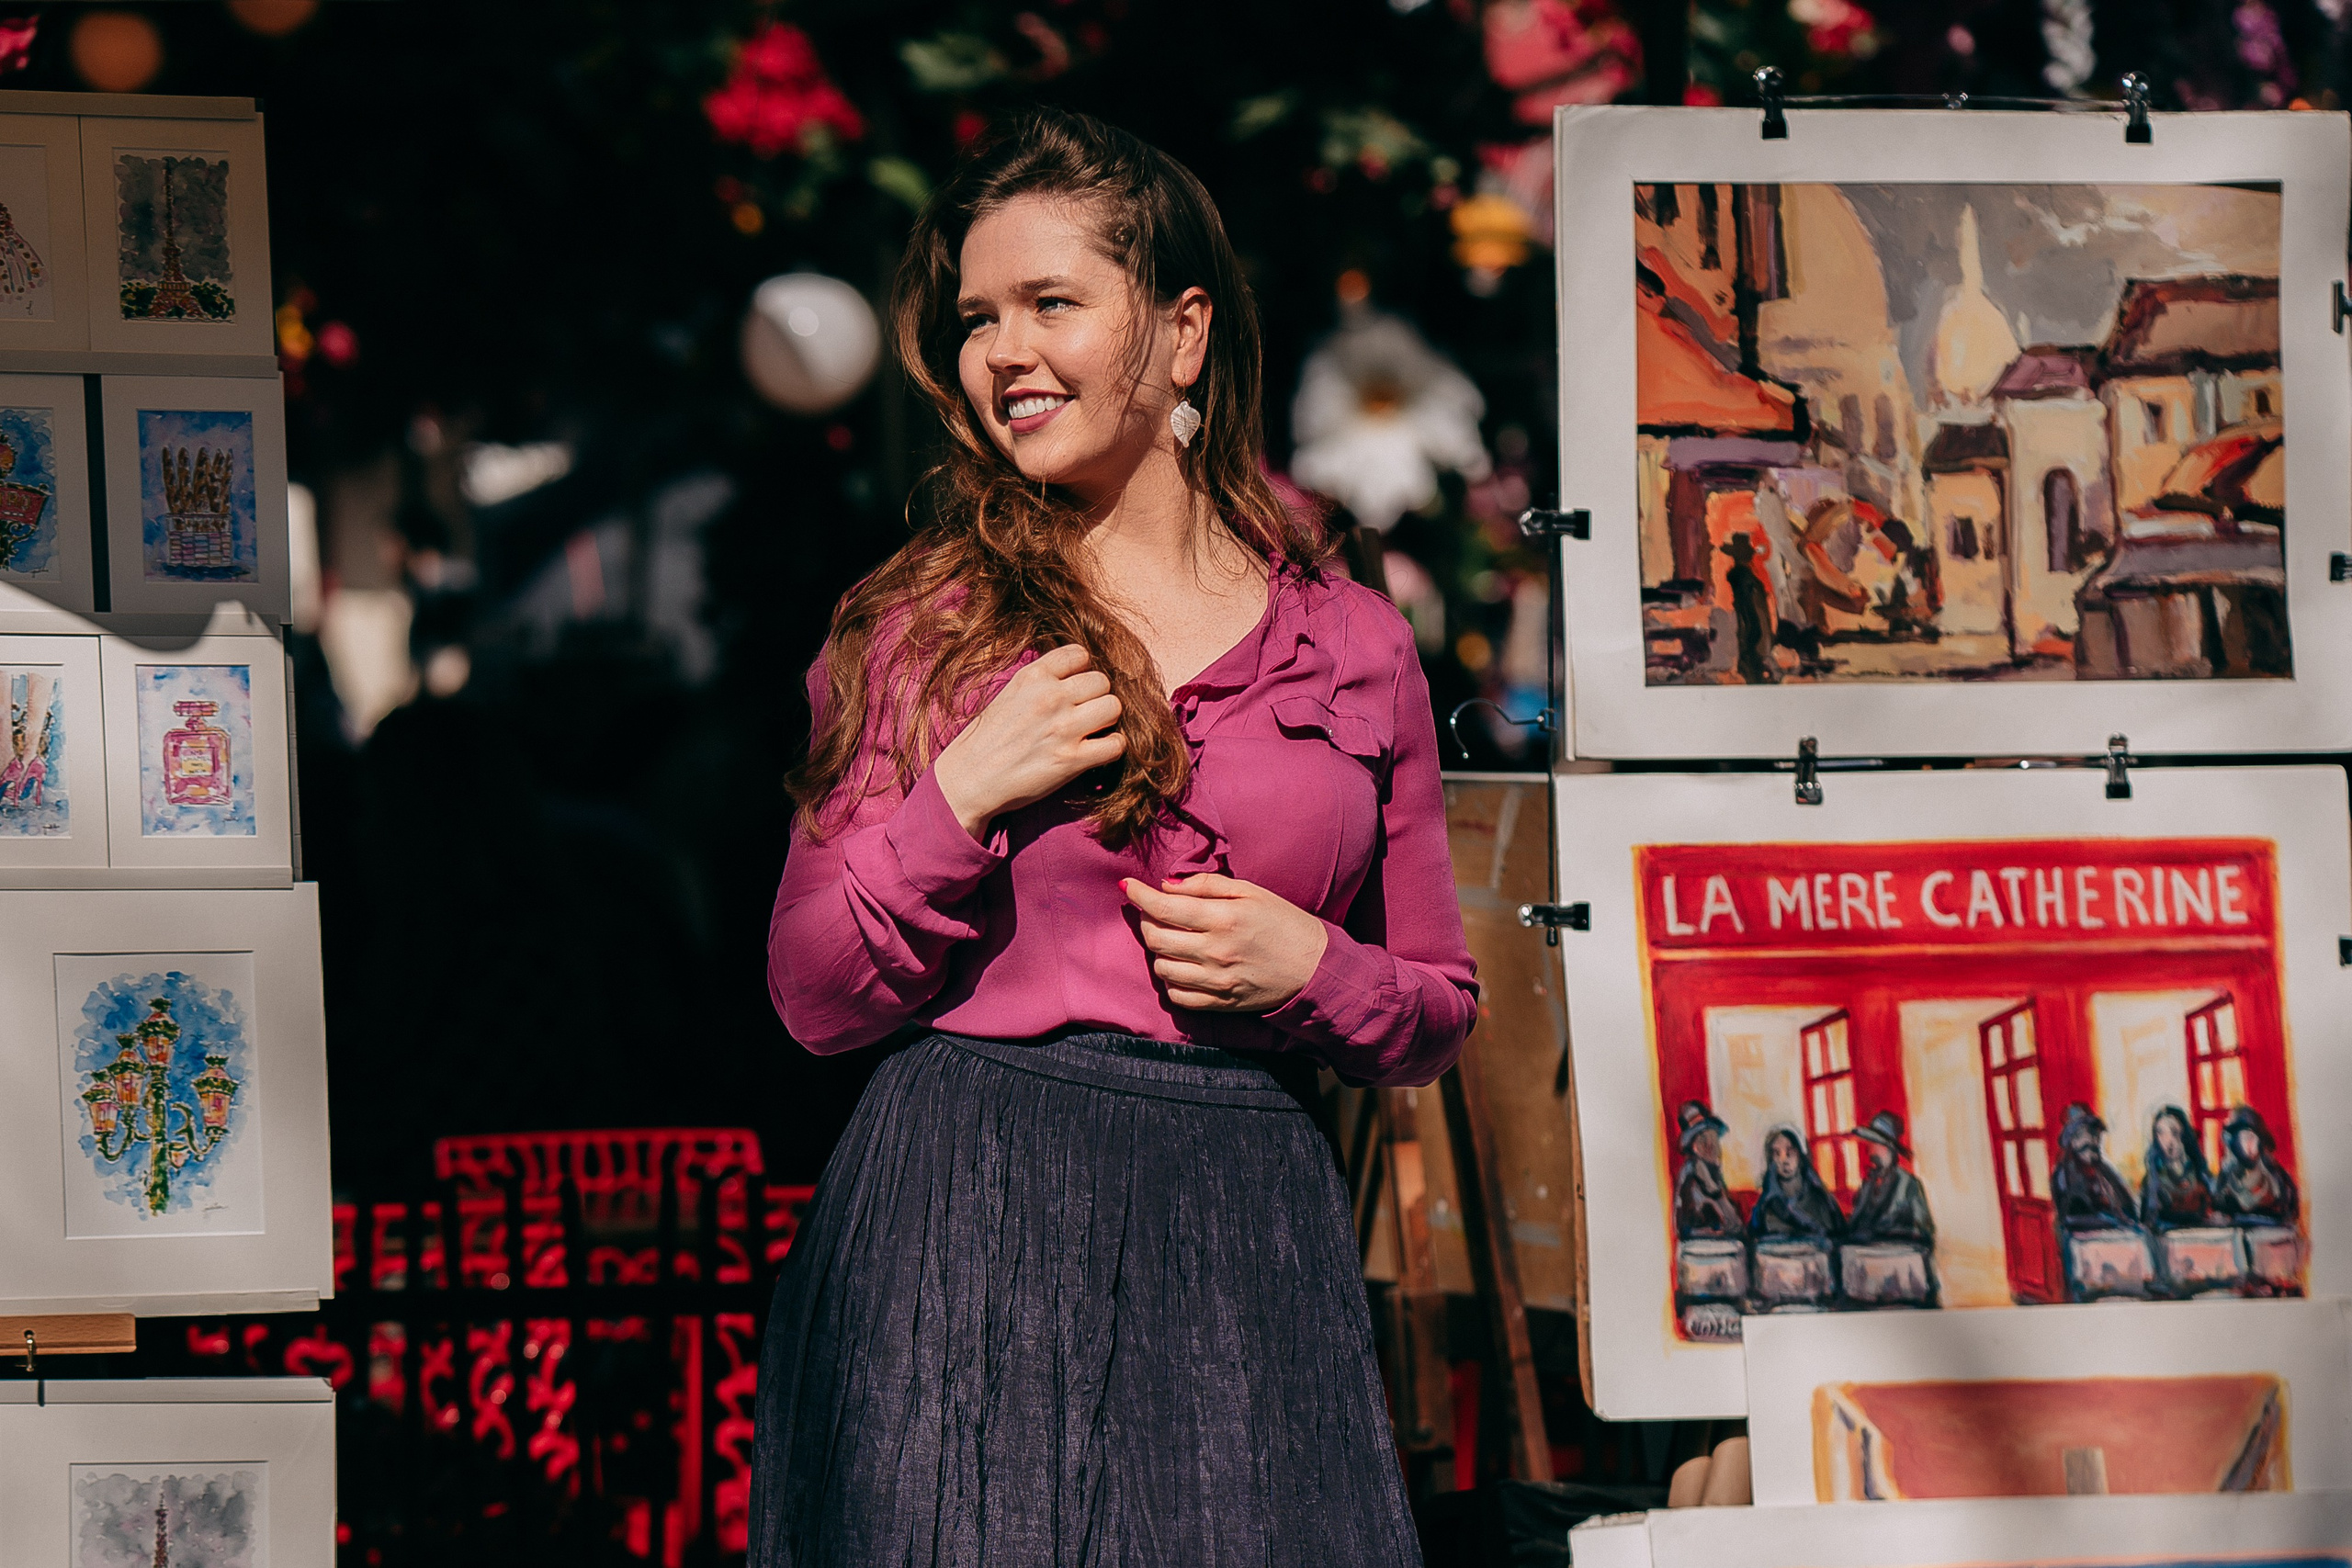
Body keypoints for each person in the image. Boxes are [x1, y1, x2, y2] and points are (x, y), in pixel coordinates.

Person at [749, 111, 1476, 1567]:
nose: (1004, 351)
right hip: (966, 1211)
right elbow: (814, 992)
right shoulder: (921, 628)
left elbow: (1438, 1004)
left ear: (1182, 331)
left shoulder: (1353, 644)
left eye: (1052, 304)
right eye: (975, 318)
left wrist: (1313, 966)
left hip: (1246, 1232)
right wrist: (962, 795)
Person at [1845, 1111, 1933, 1247]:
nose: (1871, 1151)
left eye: (1876, 1144)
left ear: (1890, 1149)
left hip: (1897, 1259)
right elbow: (1854, 1225)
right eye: (1871, 1144)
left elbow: (1923, 1233)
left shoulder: (1909, 1185)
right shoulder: (1868, 1185)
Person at [1747, 1126, 1845, 1240]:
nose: (1784, 1161)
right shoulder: (1766, 1203)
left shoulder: (1820, 1198)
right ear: (1771, 1160)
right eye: (1777, 1154)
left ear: (1800, 1156)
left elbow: (1838, 1237)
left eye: (1790, 1152)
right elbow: (1753, 1238)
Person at [2051, 1103, 2138, 1231]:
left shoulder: (2105, 1170)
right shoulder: (2063, 1175)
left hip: (2118, 1239)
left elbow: (2127, 1205)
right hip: (2084, 1244)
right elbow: (2070, 1219)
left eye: (2094, 1132)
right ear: (2072, 1142)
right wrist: (2113, 1222)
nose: (2091, 1139)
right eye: (2081, 1135)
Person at [2213, 1105, 2299, 1225]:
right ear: (2235, 1141)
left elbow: (2290, 1209)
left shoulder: (2275, 1174)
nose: (2252, 1145)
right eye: (2247, 1138)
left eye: (2255, 1138)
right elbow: (2219, 1206)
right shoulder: (2227, 1176)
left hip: (2272, 1236)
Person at [2139, 1105, 2220, 1232]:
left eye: (2174, 1132)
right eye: (2160, 1133)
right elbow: (2148, 1222)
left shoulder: (2200, 1175)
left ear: (2184, 1135)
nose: (2168, 1141)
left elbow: (2214, 1210)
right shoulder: (2152, 1180)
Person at [1674, 1100, 1744, 1237]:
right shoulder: (1693, 1172)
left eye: (1711, 1135)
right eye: (1700, 1138)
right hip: (1701, 1248)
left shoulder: (1713, 1171)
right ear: (1693, 1147)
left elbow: (1735, 1225)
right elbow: (1683, 1227)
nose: (1709, 1143)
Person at [1720, 531, 1776, 684]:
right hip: (1757, 641)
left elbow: (1748, 616)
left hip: (1752, 641)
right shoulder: (1749, 580)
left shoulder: (1741, 578)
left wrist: (1746, 642)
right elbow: (1755, 615)